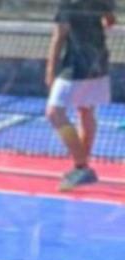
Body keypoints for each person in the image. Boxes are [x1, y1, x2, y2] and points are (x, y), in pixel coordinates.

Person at [45, 0, 116, 191]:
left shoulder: (67, 4)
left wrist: (50, 70)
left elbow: (59, 36)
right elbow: (110, 20)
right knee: (85, 111)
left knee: (54, 113)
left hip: (77, 67)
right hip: (98, 62)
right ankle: (80, 168)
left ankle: (82, 166)